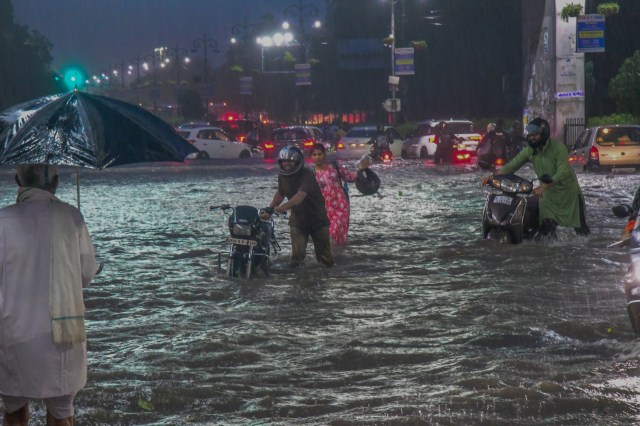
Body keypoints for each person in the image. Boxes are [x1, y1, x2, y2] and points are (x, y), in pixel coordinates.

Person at [0, 164, 97, 426]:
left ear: (18, 180)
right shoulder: (71, 216)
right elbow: (85, 275)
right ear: (54, 183)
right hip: (61, 335)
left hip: (11, 334)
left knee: (13, 412)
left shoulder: (2, 219)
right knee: (61, 414)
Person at [482, 117, 590, 238]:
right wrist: (493, 176)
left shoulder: (559, 148)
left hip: (569, 194)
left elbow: (563, 171)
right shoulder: (530, 150)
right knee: (545, 230)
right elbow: (512, 165)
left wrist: (544, 186)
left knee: (581, 231)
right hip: (548, 194)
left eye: (535, 135)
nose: (531, 138)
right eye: (530, 135)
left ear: (544, 134)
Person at [262, 146, 334, 266]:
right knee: (297, 258)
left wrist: (283, 207)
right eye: (284, 161)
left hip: (317, 220)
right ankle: (298, 282)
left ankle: (325, 281)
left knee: (324, 259)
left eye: (290, 161)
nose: (286, 164)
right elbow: (280, 193)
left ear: (297, 161)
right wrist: (269, 210)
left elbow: (299, 197)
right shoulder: (282, 176)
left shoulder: (307, 175)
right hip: (298, 221)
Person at [310, 143, 369, 247]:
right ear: (311, 157)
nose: (317, 157)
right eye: (314, 155)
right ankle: (338, 257)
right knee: (330, 237)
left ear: (324, 155)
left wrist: (361, 169)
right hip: (324, 210)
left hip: (341, 207)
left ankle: (335, 258)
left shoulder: (334, 167)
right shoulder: (311, 174)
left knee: (334, 233)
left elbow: (350, 177)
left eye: (319, 154)